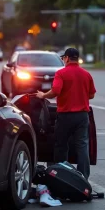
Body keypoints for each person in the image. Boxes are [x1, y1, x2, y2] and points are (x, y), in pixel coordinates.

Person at [36, 48, 96, 180]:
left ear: (67, 58)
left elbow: (55, 91)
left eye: (64, 58)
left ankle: (60, 176)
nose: (63, 60)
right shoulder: (86, 74)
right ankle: (83, 178)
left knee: (61, 145)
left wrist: (42, 95)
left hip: (65, 116)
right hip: (82, 116)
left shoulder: (61, 73)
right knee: (82, 146)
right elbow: (91, 94)